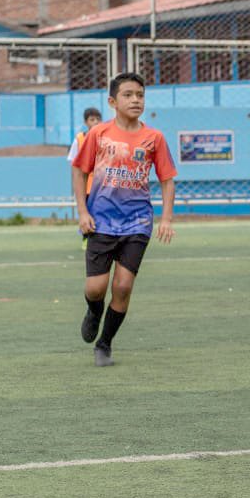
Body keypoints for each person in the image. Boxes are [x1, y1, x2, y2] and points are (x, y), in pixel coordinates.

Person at [71, 72, 177, 367]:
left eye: (140, 95)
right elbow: (79, 171)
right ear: (112, 101)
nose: (135, 100)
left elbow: (167, 180)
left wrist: (166, 219)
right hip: (101, 221)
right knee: (95, 289)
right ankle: (94, 311)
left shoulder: (154, 138)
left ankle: (104, 344)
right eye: (128, 95)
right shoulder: (98, 135)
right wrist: (82, 211)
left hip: (137, 222)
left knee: (123, 286)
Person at [68, 106, 103, 249]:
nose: (95, 122)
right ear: (86, 122)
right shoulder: (79, 139)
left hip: (102, 183)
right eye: (92, 119)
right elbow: (73, 162)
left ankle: (101, 238)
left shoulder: (106, 138)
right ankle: (85, 237)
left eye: (98, 119)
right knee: (86, 212)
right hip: (87, 184)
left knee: (100, 212)